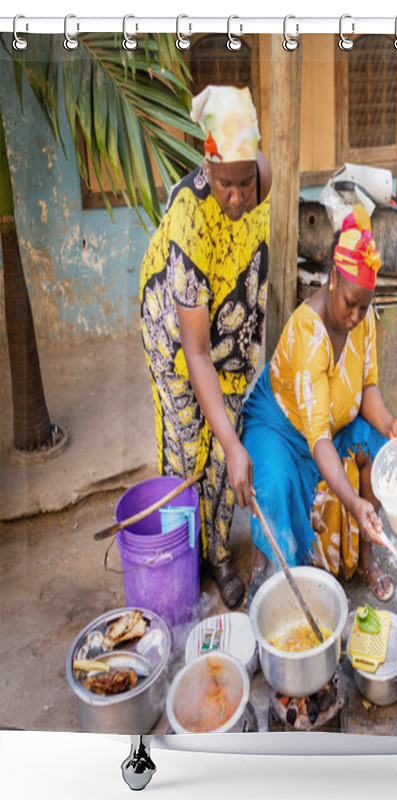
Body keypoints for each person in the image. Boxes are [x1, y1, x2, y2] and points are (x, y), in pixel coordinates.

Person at [242, 205, 397, 602]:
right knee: (276, 486)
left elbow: (367, 386)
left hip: (334, 422)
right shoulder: (309, 333)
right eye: (350, 304)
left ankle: (368, 557)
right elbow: (318, 439)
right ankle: (267, 567)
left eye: (364, 306)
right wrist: (353, 502)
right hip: (282, 427)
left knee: (378, 443)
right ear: (333, 279)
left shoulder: (362, 316)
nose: (356, 316)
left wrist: (391, 424)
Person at [139, 85, 272, 609]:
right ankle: (184, 555)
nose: (237, 198)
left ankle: (217, 553)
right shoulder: (189, 219)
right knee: (190, 443)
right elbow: (195, 353)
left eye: (244, 183)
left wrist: (234, 445)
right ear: (206, 164)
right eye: (224, 184)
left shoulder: (262, 174)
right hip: (178, 336)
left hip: (231, 318)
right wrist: (233, 445)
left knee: (226, 446)